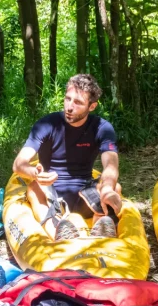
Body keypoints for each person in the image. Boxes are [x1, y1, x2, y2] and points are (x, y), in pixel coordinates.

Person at [13, 74, 122, 240]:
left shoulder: (102, 128)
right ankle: (58, 232)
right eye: (67, 99)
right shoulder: (47, 124)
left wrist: (107, 188)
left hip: (84, 194)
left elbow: (111, 165)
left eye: (78, 102)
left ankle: (101, 228)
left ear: (92, 106)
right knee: (33, 189)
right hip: (51, 193)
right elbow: (19, 164)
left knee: (115, 187)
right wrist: (35, 173)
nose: (69, 107)